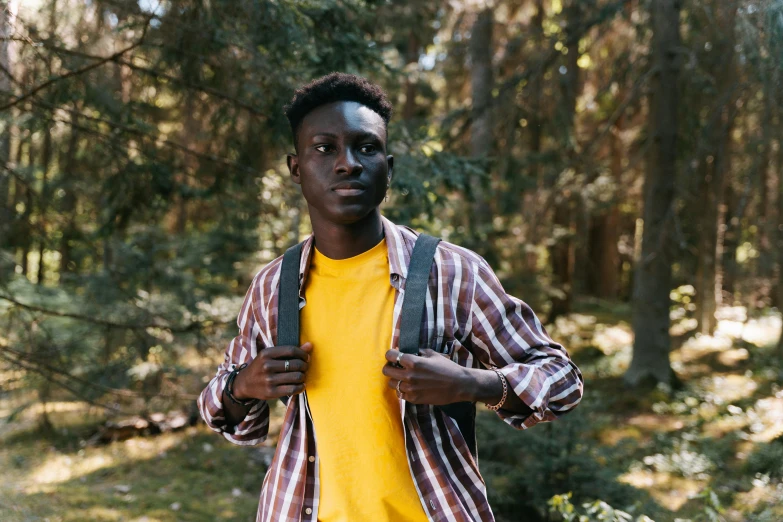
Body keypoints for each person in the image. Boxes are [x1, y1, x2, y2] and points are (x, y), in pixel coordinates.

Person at [197, 72, 583, 522]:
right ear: (296, 169)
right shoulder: (273, 285)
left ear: (389, 166)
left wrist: (472, 383)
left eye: (366, 147)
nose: (348, 164)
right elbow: (224, 415)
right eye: (325, 148)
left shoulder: (451, 271)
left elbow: (561, 380)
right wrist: (244, 385)